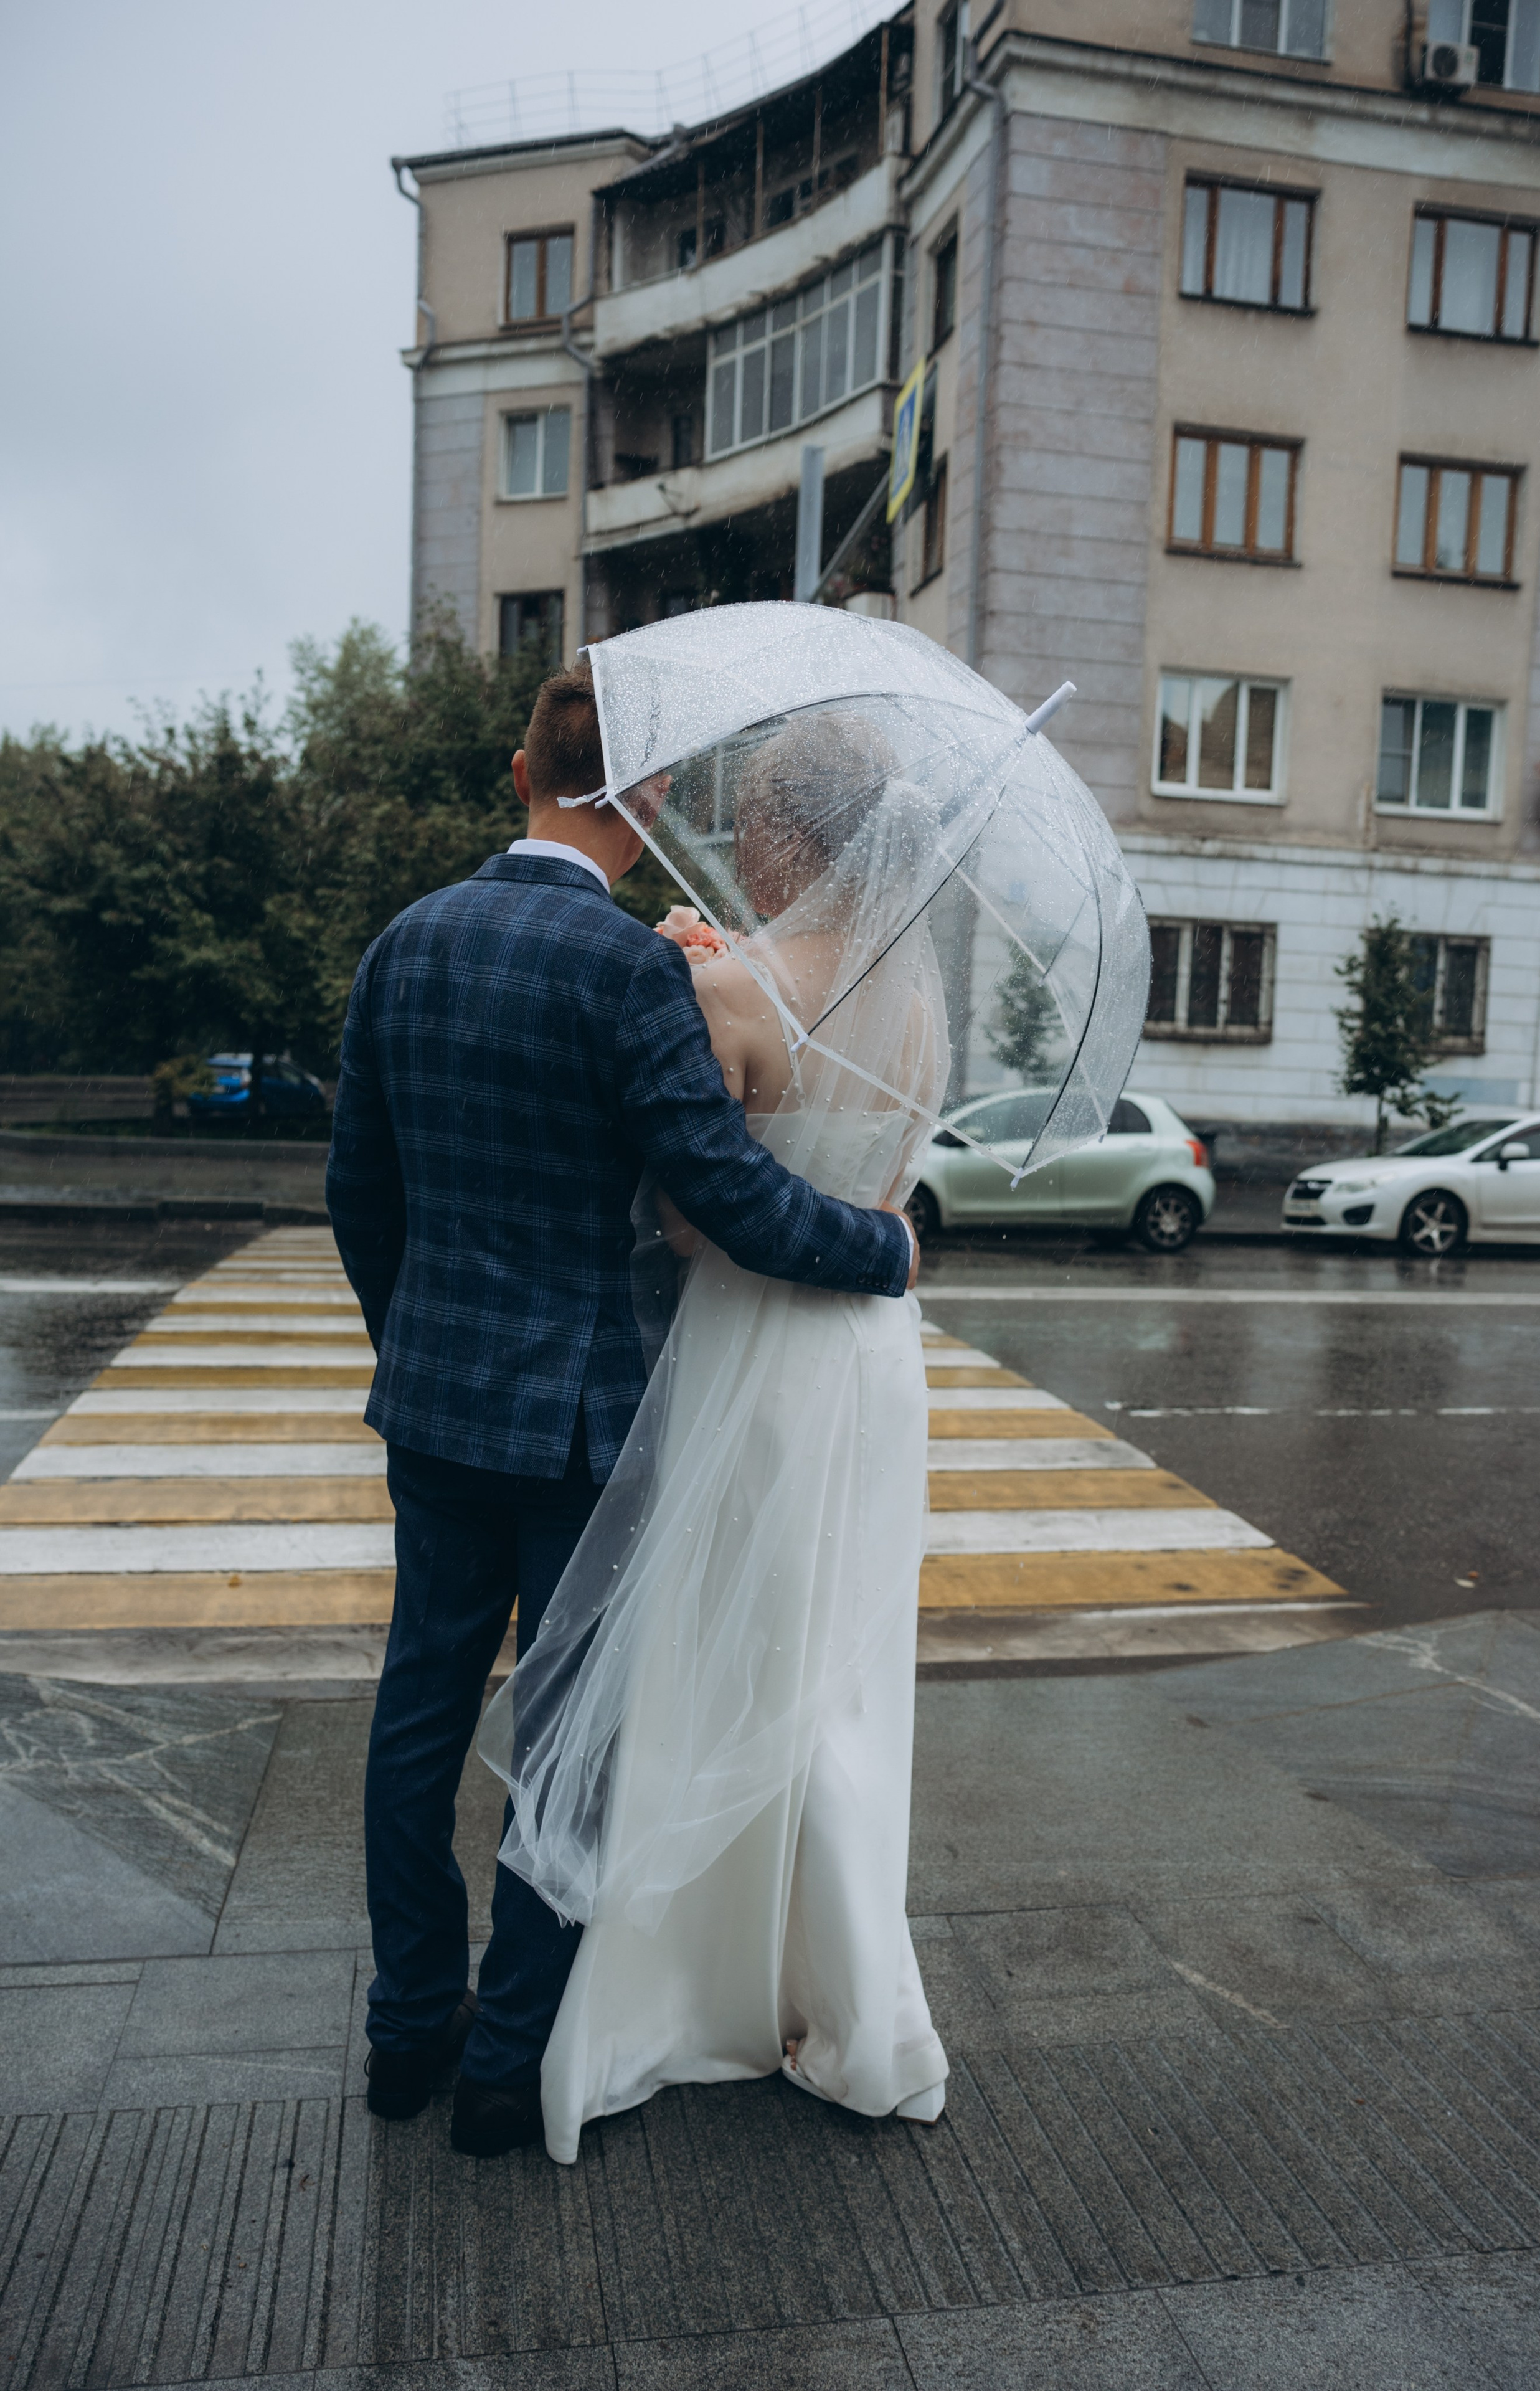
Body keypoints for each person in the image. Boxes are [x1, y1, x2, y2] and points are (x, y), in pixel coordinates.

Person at [325, 661, 919, 2158]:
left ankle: (407, 2030)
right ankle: (502, 2063)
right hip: (586, 1427)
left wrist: (416, 1342)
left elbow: (358, 1194)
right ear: (644, 805)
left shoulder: (403, 944)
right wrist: (884, 1247)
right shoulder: (630, 973)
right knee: (571, 1732)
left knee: (418, 1710)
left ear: (519, 771)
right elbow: (723, 1195)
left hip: (438, 1410)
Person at [480, 701, 950, 2164]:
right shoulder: (913, 991)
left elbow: (693, 1210)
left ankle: (691, 1980)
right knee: (838, 1667)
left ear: (787, 839)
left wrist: (706, 976)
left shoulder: (733, 983)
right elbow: (880, 1177)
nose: (731, 842)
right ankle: (847, 2002)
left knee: (718, 1650)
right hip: (872, 1361)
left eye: (747, 821)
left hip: (752, 1350)